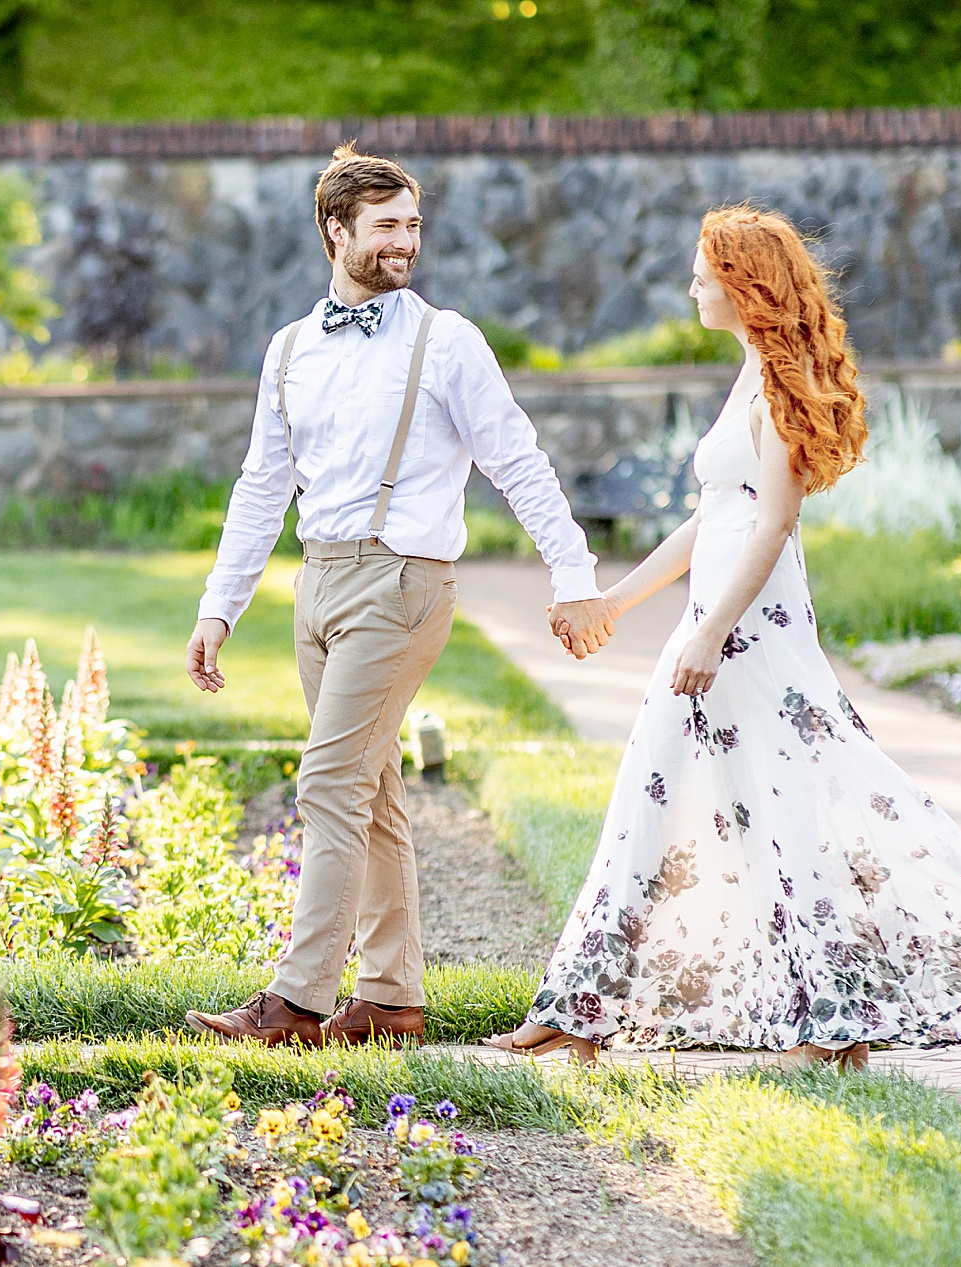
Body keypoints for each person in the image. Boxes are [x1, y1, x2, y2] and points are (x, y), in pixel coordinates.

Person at [487, 206, 961, 1067]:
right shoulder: (746, 375)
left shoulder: (778, 384)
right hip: (717, 625)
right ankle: (586, 1006)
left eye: (704, 272)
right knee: (657, 793)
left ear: (745, 285)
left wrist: (709, 634)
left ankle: (827, 1019)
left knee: (786, 807)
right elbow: (714, 520)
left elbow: (773, 525)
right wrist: (615, 603)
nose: (692, 285)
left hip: (752, 630)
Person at [183, 143, 614, 1048]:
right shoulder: (291, 348)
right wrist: (220, 606)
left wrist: (573, 575)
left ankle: (296, 1000)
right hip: (321, 582)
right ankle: (389, 999)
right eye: (386, 226)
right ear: (335, 231)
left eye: (413, 225)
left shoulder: (445, 340)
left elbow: (518, 461)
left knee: (329, 781)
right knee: (371, 789)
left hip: (404, 581)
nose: (405, 242)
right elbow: (263, 483)